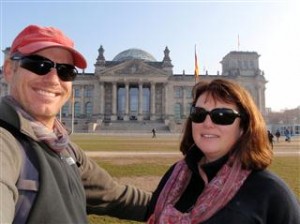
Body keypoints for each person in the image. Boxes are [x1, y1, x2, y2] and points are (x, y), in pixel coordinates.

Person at [0, 25, 151, 223]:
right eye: (38, 65)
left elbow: (117, 196)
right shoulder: (6, 143)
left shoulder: (65, 149)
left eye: (66, 71)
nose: (53, 79)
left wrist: (189, 206)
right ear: (10, 70)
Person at [146, 79, 300, 223]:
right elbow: (151, 206)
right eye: (198, 114)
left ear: (244, 126)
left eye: (223, 116)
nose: (207, 123)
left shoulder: (271, 194)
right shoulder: (176, 174)